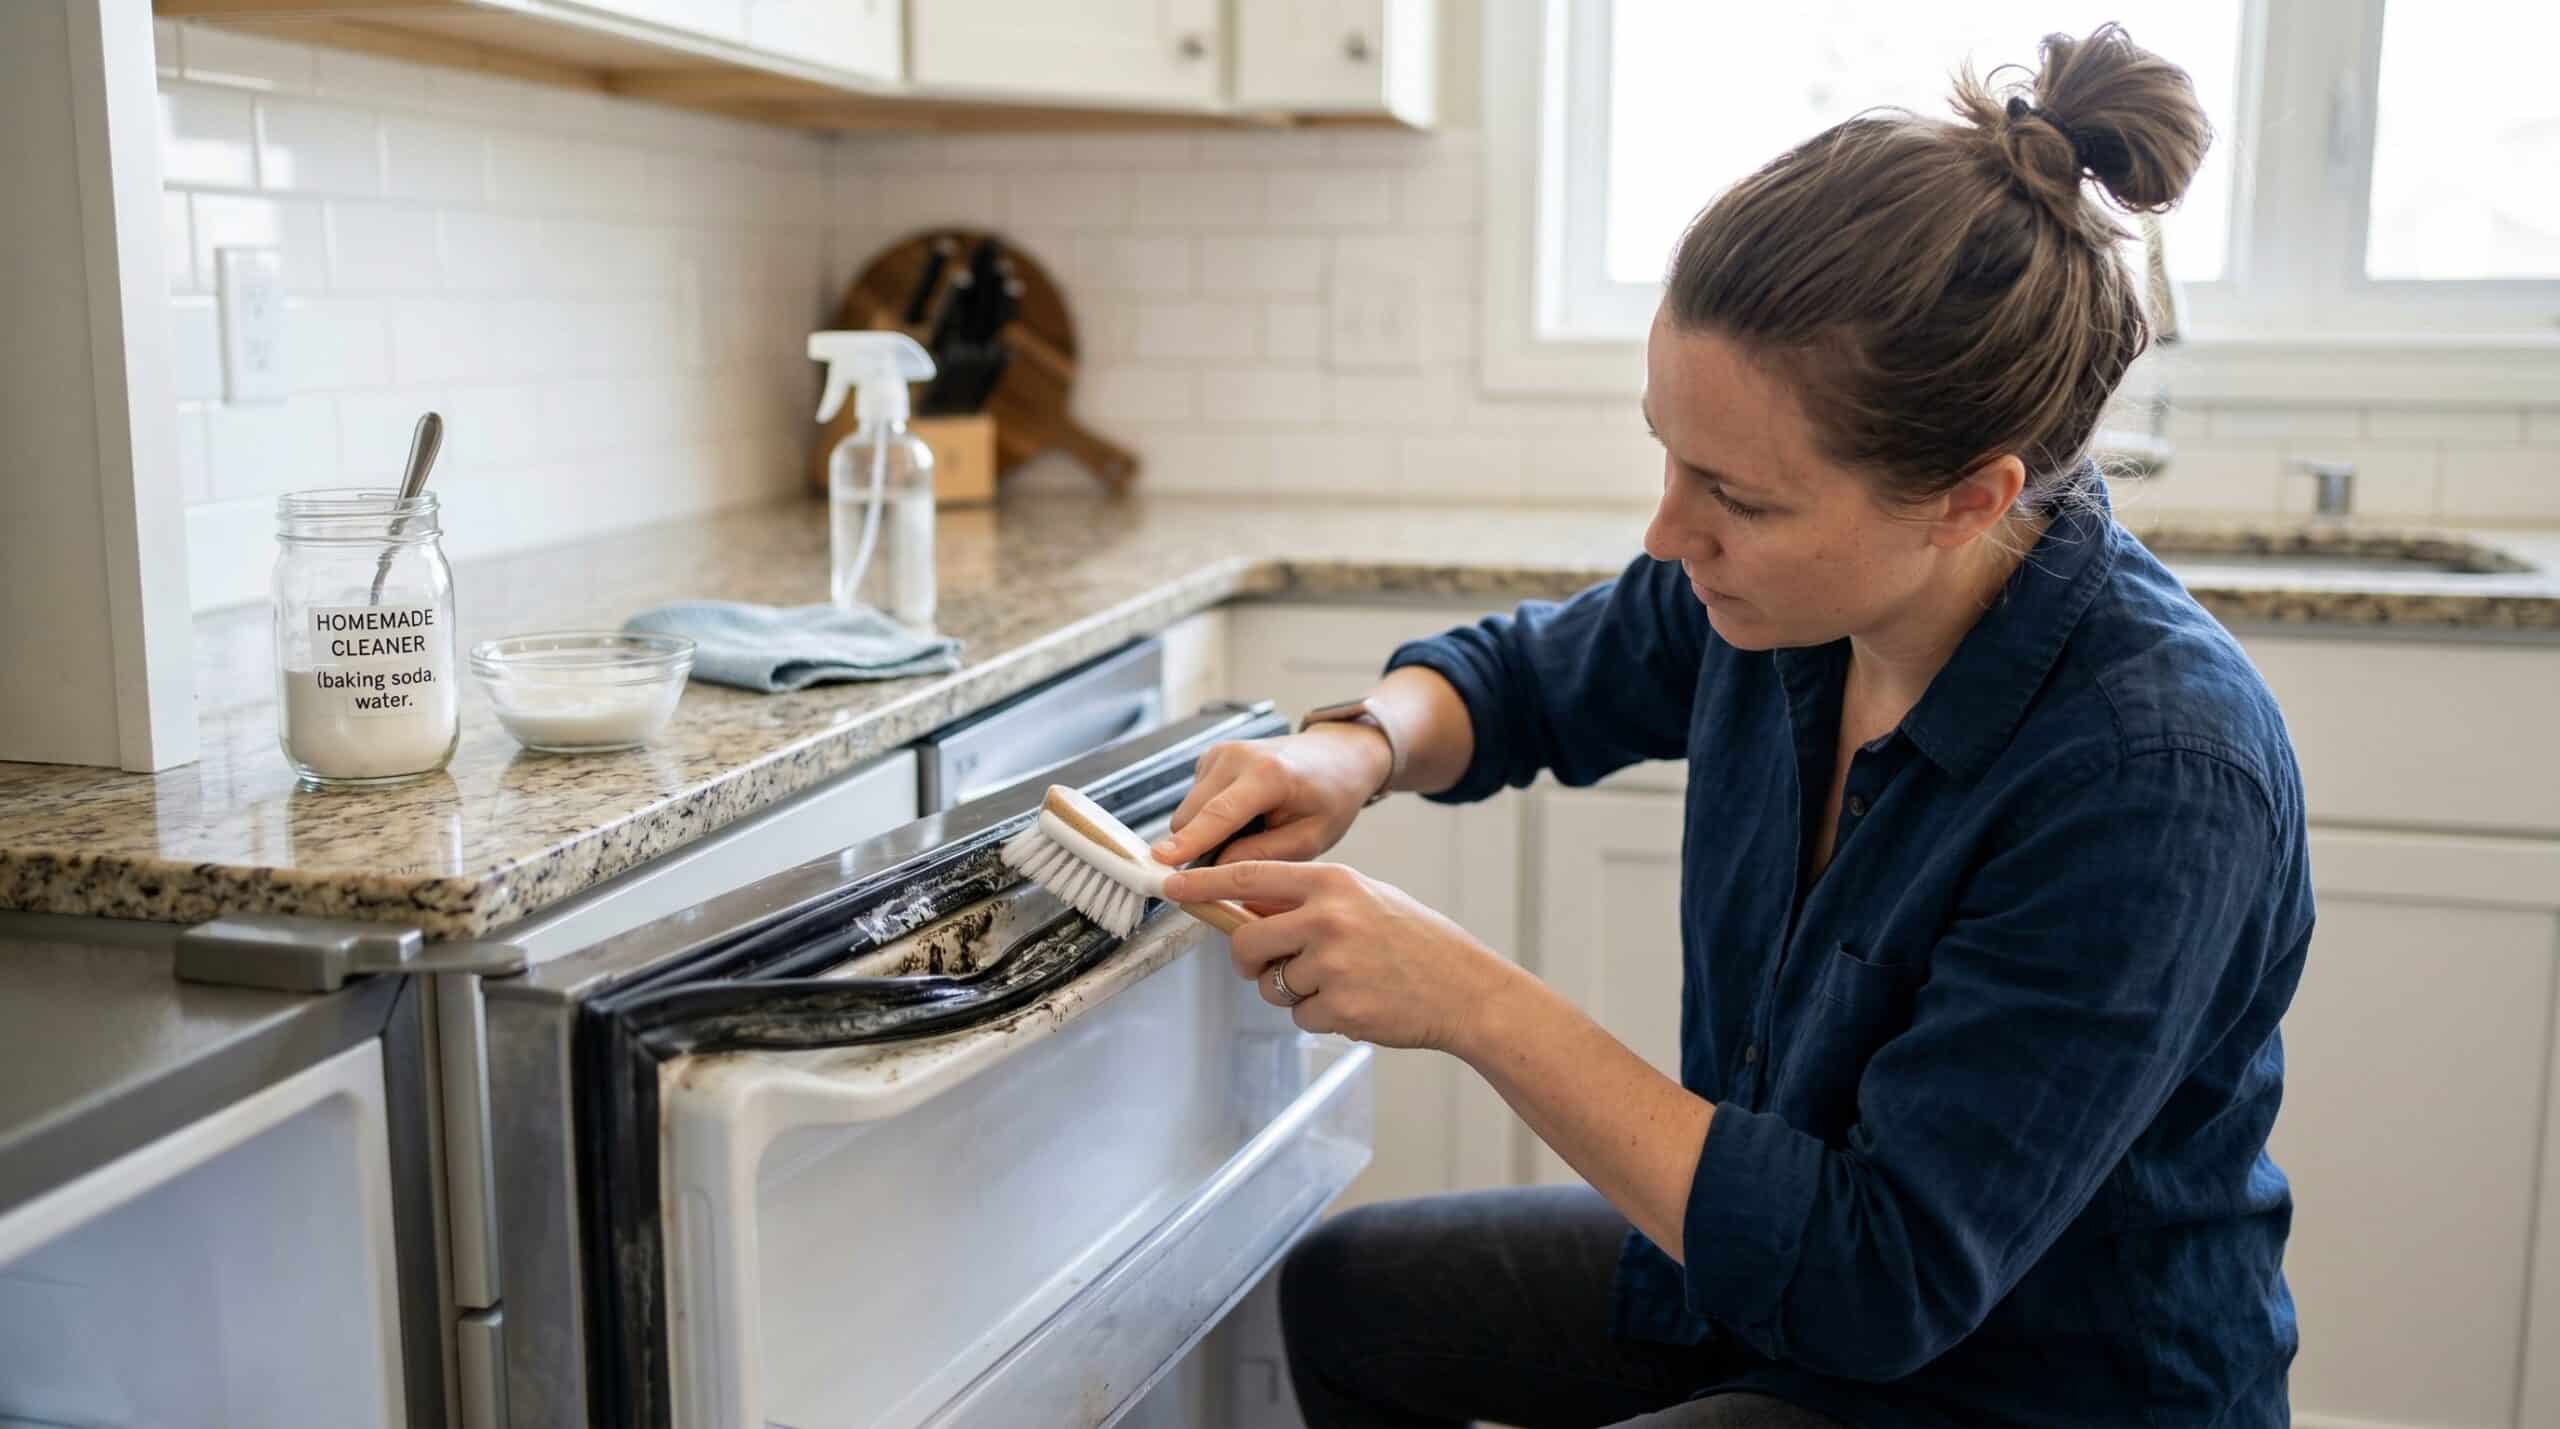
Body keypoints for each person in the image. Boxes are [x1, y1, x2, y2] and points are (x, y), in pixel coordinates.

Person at [1149, 24, 2309, 1429]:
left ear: (1969, 498)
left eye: (1739, 496)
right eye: (1668, 452)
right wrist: (1349, 748)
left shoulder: (2156, 773)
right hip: (1782, 1277)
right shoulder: (1781, 604)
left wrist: (1468, 997)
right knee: (1349, 1295)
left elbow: (1880, 1277)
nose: (1668, 530)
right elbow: (1522, 679)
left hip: (2021, 1383)